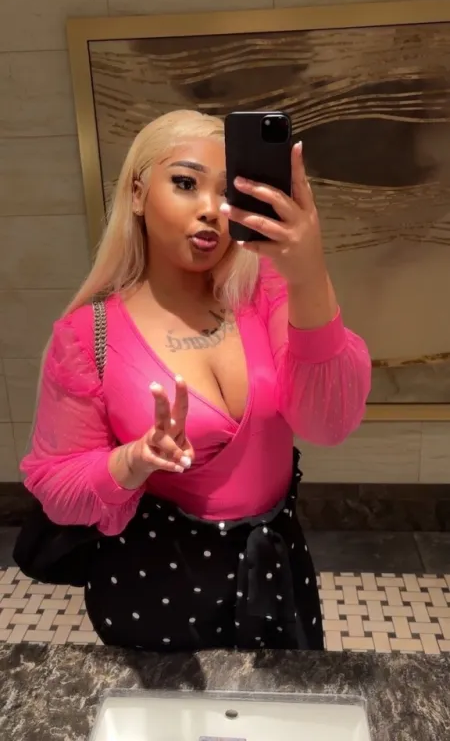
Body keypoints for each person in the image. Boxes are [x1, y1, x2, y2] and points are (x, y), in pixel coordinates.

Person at [21, 110, 371, 652]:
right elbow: (58, 489)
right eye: (186, 183)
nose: (211, 209)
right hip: (155, 585)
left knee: (286, 705)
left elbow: (329, 423)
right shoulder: (88, 335)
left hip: (274, 573)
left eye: (227, 193)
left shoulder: (265, 293)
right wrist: (132, 461)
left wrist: (309, 272)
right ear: (138, 194)